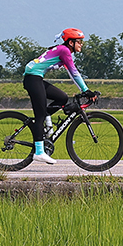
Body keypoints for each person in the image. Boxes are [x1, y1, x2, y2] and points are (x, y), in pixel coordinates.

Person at [23, 28, 96, 165]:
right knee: (39, 116)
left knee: (62, 98)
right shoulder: (64, 51)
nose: (81, 44)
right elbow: (74, 73)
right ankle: (39, 152)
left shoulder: (63, 50)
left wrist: (85, 90)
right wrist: (86, 90)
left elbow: (71, 72)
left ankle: (44, 120)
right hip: (33, 79)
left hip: (36, 78)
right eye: (79, 42)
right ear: (71, 43)